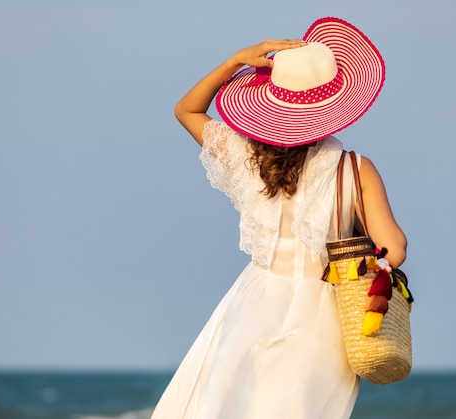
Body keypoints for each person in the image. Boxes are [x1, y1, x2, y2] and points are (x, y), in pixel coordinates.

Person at [151, 17, 407, 419]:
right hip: (322, 314)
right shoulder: (355, 169)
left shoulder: (244, 157)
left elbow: (186, 109)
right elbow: (395, 249)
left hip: (253, 299)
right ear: (336, 106)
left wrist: (236, 60)